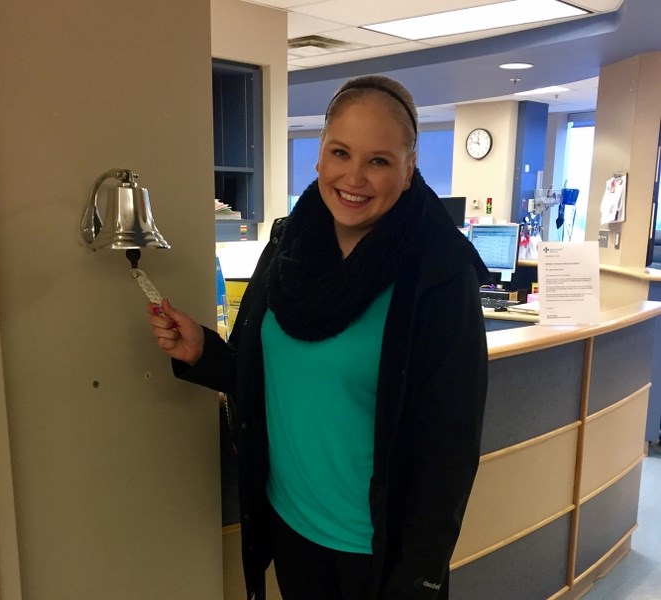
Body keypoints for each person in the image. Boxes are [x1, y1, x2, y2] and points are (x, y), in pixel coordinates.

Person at [148, 75, 489, 600]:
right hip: (292, 528)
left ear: (409, 166)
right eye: (340, 152)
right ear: (319, 156)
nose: (354, 177)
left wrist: (420, 576)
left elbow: (449, 448)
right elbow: (261, 375)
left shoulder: (438, 275)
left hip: (377, 556)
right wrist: (202, 353)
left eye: (378, 160)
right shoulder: (289, 245)